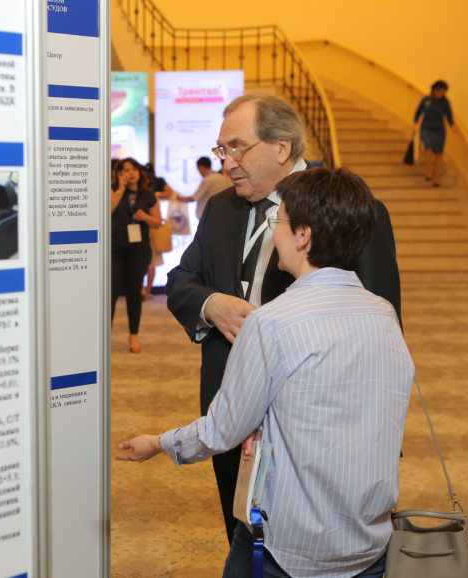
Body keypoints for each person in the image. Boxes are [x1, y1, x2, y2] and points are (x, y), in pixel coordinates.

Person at [118, 167, 415, 578]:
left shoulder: (271, 323)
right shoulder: (383, 314)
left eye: (280, 219)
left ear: (303, 236)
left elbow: (221, 430)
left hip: (287, 547)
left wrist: (158, 443)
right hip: (369, 542)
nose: (273, 230)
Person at [165, 93, 402, 560]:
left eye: (238, 147)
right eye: (222, 150)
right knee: (242, 538)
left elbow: (381, 330)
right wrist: (212, 305)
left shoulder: (351, 211)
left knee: (311, 548)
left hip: (313, 429)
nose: (228, 162)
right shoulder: (221, 208)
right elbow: (180, 281)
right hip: (229, 411)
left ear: (281, 147)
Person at [112, 158, 162, 353]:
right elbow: (107, 211)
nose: (131, 173)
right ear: (118, 174)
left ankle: (133, 335)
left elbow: (157, 222)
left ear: (140, 172)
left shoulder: (147, 194)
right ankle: (104, 336)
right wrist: (120, 190)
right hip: (114, 249)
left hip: (139, 250)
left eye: (134, 169)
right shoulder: (113, 191)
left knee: (134, 292)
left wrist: (146, 217)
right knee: (111, 293)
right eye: (125, 170)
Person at [413, 80, 460, 187]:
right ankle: (430, 169)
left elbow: (449, 116)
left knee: (439, 153)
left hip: (439, 130)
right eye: (439, 91)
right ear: (434, 90)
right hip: (426, 128)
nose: (440, 93)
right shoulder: (426, 99)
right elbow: (418, 112)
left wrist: (453, 126)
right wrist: (415, 123)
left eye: (443, 91)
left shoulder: (445, 102)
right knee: (428, 149)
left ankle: (436, 177)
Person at [144, 162, 177, 299]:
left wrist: (157, 193)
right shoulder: (156, 182)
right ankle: (146, 291)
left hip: (151, 228)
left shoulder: (153, 186)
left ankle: (145, 291)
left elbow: (170, 192)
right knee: (149, 263)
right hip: (150, 228)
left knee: (149, 263)